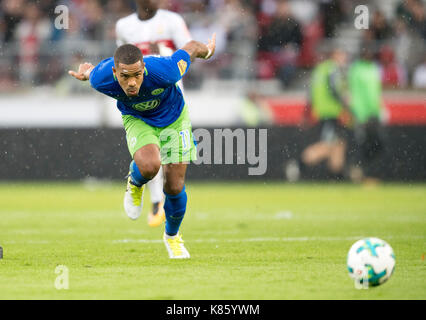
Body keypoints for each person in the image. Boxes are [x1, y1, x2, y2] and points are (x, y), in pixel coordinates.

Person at [68, 35, 216, 259]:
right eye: (125, 77)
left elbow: (192, 47)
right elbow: (92, 72)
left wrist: (207, 51)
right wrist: (86, 74)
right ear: (115, 73)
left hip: (175, 119)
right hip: (138, 120)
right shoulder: (101, 79)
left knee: (174, 187)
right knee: (149, 166)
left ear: (144, 68)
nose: (132, 83)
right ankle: (135, 182)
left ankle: (172, 237)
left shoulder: (166, 71)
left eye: (137, 75)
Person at [115, 0, 192, 227]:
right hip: (139, 97)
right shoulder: (123, 26)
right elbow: (120, 61)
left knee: (169, 155)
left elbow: (188, 53)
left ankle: (162, 200)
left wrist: (165, 54)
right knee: (150, 153)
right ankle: (157, 201)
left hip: (170, 98)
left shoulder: (173, 21)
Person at [287, 48, 349, 181]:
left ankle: (337, 175)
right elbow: (334, 90)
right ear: (335, 56)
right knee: (328, 144)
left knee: (339, 143)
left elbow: (310, 94)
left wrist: (307, 113)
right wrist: (346, 105)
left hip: (323, 112)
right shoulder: (332, 69)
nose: (344, 60)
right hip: (332, 112)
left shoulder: (318, 71)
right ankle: (298, 164)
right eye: (342, 56)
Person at [348, 47, 384, 183]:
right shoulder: (362, 70)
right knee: (369, 145)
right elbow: (366, 94)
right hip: (364, 114)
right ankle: (362, 174)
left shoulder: (367, 69)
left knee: (373, 145)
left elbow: (373, 93)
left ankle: (360, 171)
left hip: (369, 113)